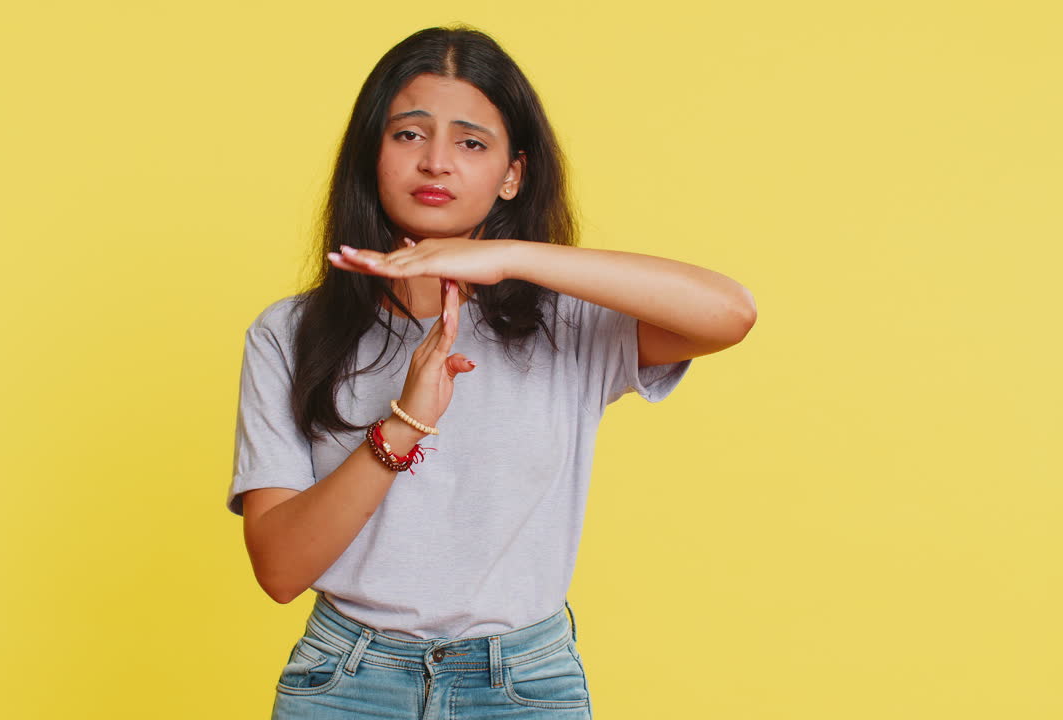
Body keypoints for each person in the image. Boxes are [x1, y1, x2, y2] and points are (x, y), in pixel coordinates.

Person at [227, 24, 756, 719]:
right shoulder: (289, 334)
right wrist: (403, 425)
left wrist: (513, 258)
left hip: (524, 686)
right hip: (348, 682)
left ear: (513, 173)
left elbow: (729, 312)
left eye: (471, 143)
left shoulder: (568, 321)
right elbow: (280, 569)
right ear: (372, 152)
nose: (436, 163)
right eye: (409, 135)